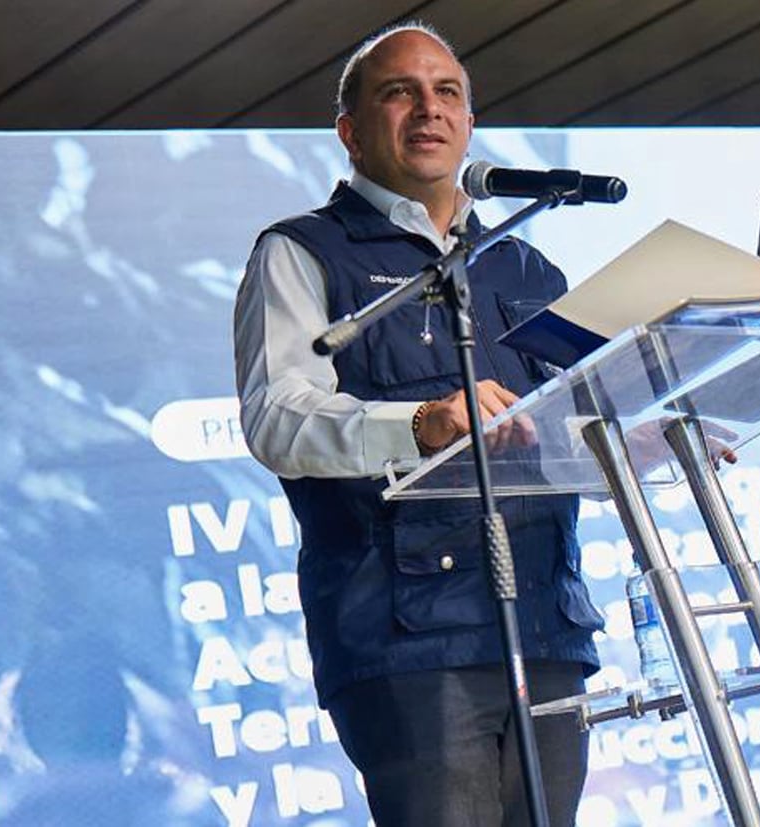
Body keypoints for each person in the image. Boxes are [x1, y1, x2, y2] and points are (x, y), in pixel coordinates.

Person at [232, 23, 603, 827]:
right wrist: (422, 424)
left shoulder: (528, 267)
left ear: (470, 124)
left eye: (447, 94)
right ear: (350, 131)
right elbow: (276, 418)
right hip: (408, 637)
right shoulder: (303, 252)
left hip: (543, 622)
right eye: (398, 91)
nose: (428, 109)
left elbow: (575, 419)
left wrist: (641, 435)